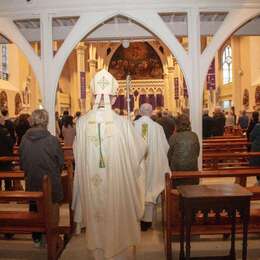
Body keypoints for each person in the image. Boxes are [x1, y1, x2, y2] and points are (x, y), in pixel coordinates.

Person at [72, 69, 147, 260]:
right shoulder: (123, 124)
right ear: (113, 98)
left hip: (92, 184)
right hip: (117, 186)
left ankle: (98, 253)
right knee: (117, 220)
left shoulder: (81, 123)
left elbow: (77, 155)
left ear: (93, 96)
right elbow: (139, 151)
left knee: (96, 226)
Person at [19, 109, 64, 246]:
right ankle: (53, 237)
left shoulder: (24, 140)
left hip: (32, 181)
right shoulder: (52, 140)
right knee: (53, 209)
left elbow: (22, 163)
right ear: (46, 121)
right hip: (50, 183)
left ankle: (37, 238)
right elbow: (60, 163)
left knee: (34, 207)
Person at [134, 103, 170, 231]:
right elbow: (165, 147)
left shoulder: (132, 126)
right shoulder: (158, 128)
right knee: (150, 188)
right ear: (151, 112)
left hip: (137, 163)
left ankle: (138, 219)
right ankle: (147, 220)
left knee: (138, 188)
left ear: (140, 111)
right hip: (153, 163)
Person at [168, 114, 200, 187]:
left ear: (177, 125)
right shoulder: (194, 135)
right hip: (192, 171)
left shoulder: (174, 137)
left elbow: (169, 155)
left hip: (177, 173)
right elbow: (197, 153)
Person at [0, 114, 15, 191]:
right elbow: (10, 143)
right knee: (7, 175)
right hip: (5, 156)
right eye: (3, 120)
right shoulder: (4, 131)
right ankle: (8, 190)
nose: (4, 121)